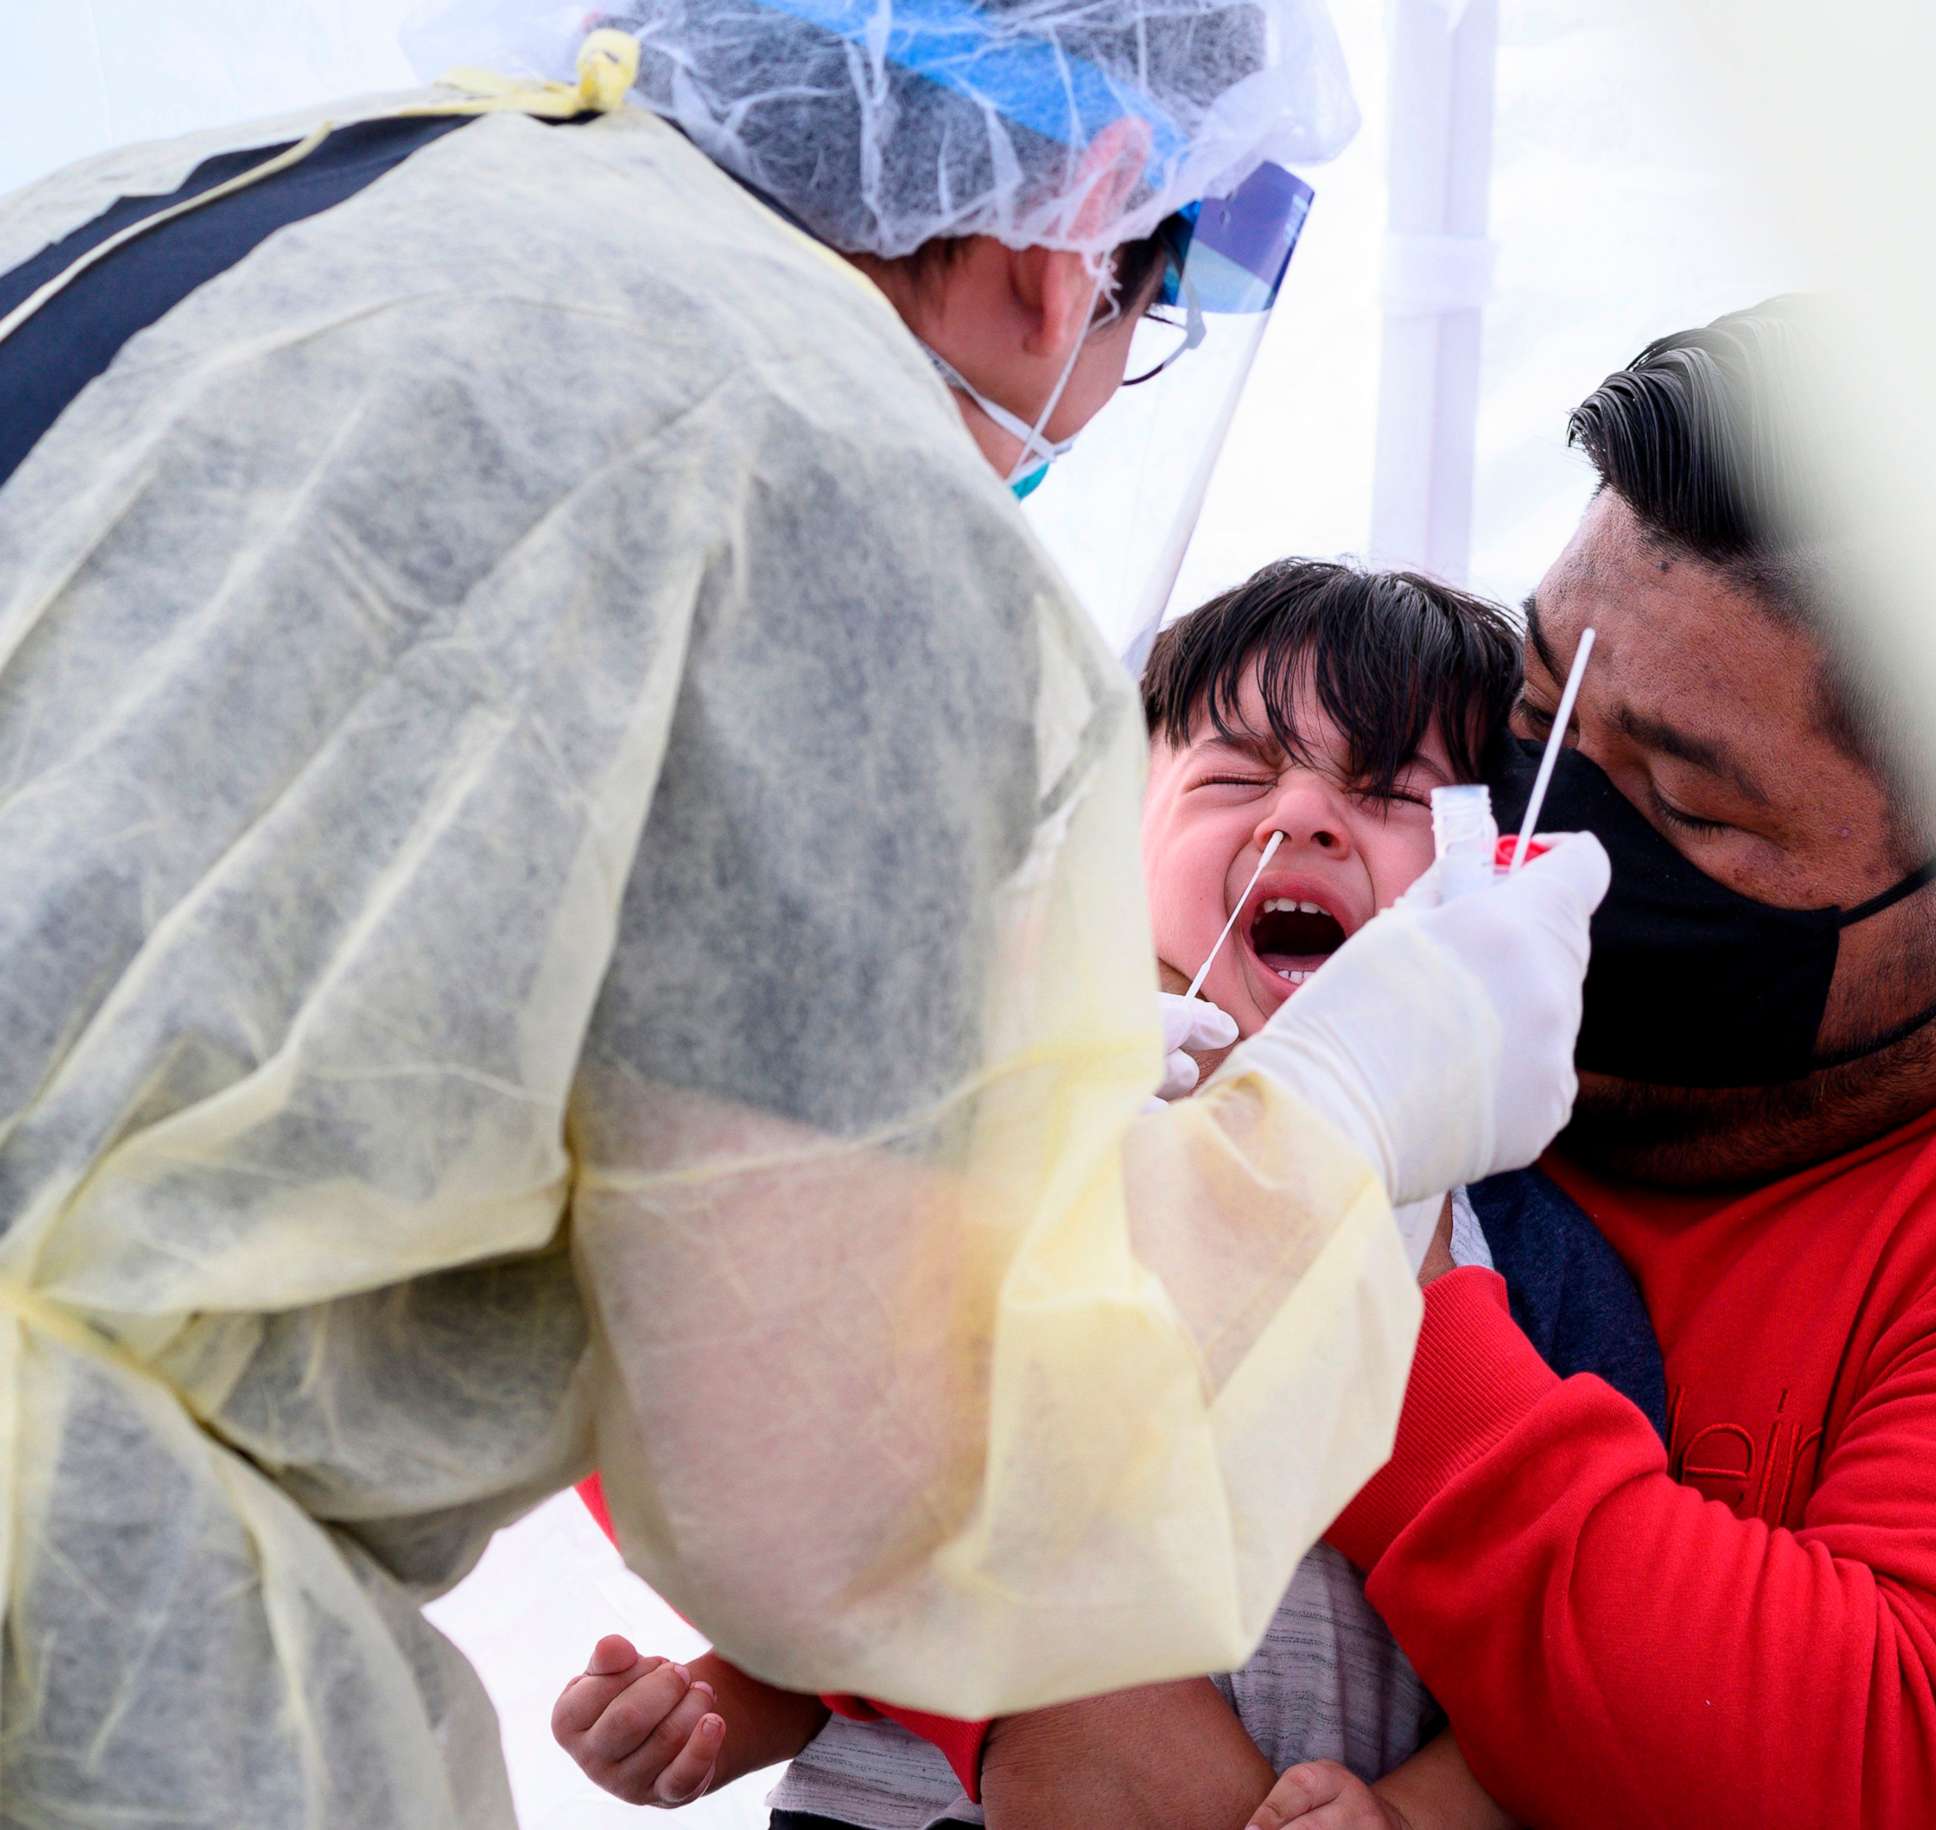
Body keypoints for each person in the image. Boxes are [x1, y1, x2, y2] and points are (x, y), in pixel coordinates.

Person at [0, 7, 1611, 1826]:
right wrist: (1347, 1108)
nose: (1095, 394)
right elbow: (867, 1508)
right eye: (1145, 316)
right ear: (1077, 212)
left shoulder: (216, 209)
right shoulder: (842, 494)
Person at [1007, 299, 1936, 1829]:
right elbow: (786, 1301)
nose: (1549, 823)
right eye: (1537, 708)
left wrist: (1315, 1280)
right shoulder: (1373, 930)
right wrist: (1001, 1695)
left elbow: (1899, 1766)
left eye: (1681, 800)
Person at [547, 559, 1666, 1829]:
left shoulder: (1522, 1245)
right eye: (1237, 776)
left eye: (1388, 792)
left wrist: (1414, 1813)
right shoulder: (986, 1139)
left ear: (1488, 862)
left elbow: (1583, 1657)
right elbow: (867, 1524)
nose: (1298, 818)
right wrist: (715, 1709)